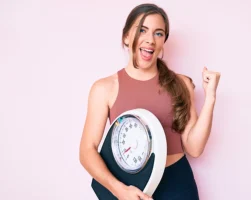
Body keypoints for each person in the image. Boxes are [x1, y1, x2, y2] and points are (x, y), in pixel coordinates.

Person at [79, 3, 221, 200]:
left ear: (164, 42)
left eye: (158, 33)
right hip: (130, 188)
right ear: (127, 36)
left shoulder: (181, 84)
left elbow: (194, 148)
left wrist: (211, 97)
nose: (150, 40)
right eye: (142, 30)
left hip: (177, 184)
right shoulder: (104, 88)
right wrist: (118, 190)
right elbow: (87, 151)